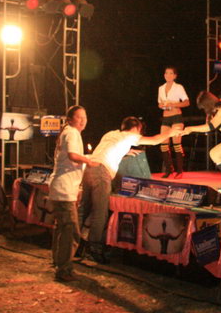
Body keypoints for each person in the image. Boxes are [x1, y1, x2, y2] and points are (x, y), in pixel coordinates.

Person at [80, 117, 181, 263]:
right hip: (102, 173)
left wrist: (126, 151)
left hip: (89, 170)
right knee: (100, 212)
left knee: (84, 208)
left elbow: (109, 148)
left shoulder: (111, 134)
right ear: (136, 129)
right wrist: (170, 132)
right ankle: (93, 249)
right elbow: (154, 140)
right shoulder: (130, 136)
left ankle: (76, 244)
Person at [46, 106, 99, 282]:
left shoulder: (70, 132)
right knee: (71, 230)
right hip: (63, 189)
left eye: (85, 117)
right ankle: (64, 269)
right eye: (79, 117)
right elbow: (73, 155)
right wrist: (88, 160)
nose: (83, 120)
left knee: (62, 228)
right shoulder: (72, 133)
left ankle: (58, 262)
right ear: (70, 119)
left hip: (62, 188)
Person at [157, 66, 189, 178]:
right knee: (163, 144)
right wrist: (161, 105)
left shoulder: (178, 87)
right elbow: (159, 103)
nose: (168, 75)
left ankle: (179, 171)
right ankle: (169, 169)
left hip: (176, 117)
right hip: (166, 117)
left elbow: (186, 102)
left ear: (175, 76)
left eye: (171, 73)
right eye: (166, 73)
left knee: (177, 143)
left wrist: (174, 104)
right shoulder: (161, 88)